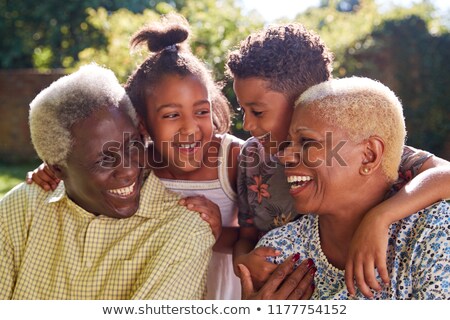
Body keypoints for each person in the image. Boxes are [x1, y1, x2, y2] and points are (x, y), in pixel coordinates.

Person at [26, 14, 243, 300]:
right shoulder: (139, 163)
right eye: (172, 115)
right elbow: (90, 171)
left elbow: (262, 233)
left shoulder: (234, 159)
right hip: (160, 284)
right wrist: (53, 168)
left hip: (224, 291)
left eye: (201, 111)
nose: (191, 128)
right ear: (142, 123)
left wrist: (220, 232)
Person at [226, 22, 450, 297]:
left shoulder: (362, 150)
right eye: (242, 109)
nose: (246, 124)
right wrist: (245, 266)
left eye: (258, 112)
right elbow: (244, 235)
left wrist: (379, 218)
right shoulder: (252, 157)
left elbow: (445, 175)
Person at [1, 64, 214, 299]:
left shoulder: (185, 231)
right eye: (104, 159)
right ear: (57, 169)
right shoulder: (18, 211)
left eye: (133, 145)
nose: (128, 171)